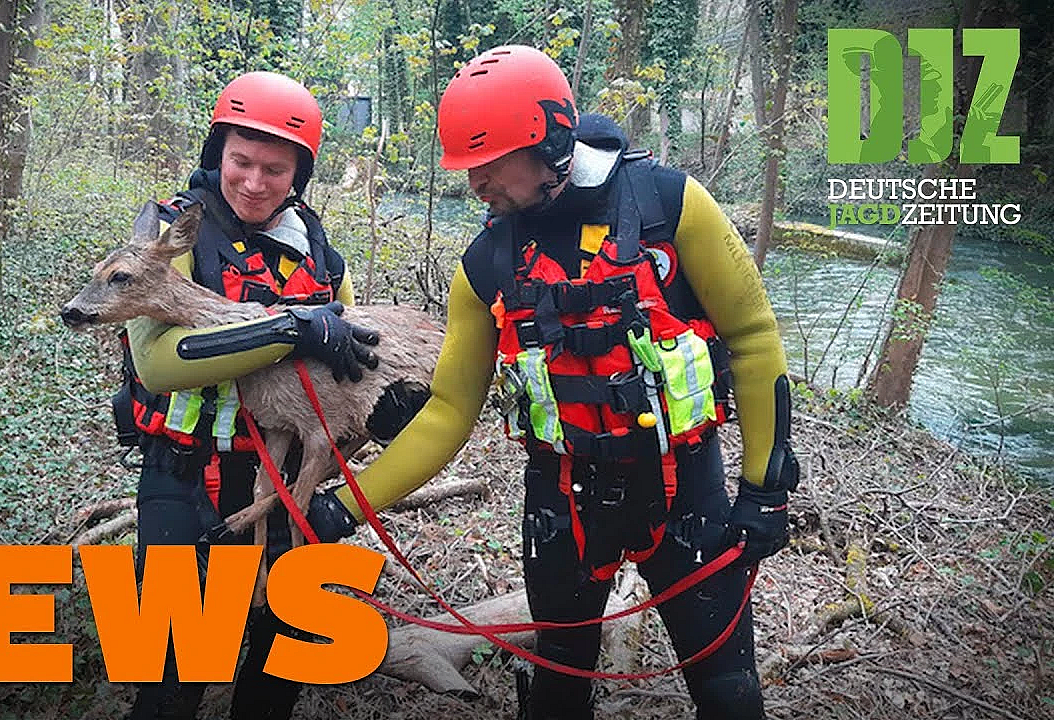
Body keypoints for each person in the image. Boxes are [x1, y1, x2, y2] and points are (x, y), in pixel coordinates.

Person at [304, 45, 800, 719]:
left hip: (686, 490)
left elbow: (754, 337)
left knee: (727, 689)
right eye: (468, 167)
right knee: (558, 687)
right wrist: (347, 505)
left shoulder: (671, 206)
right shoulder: (486, 263)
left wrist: (766, 490)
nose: (475, 183)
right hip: (563, 502)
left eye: (490, 164)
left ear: (549, 142)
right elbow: (448, 411)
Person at [118, 71, 379, 720]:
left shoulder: (321, 256)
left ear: (299, 175)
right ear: (218, 154)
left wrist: (389, 407)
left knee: (277, 662)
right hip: (184, 474)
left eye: (275, 169)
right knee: (173, 671)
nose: (255, 182)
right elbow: (156, 364)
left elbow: (357, 356)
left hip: (288, 484)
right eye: (241, 161)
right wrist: (290, 328)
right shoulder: (168, 234)